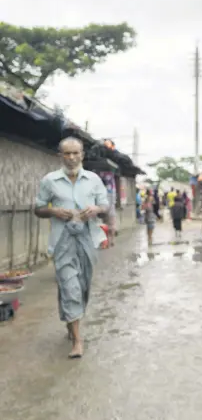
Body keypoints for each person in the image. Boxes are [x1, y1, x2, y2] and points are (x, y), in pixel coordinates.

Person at [35, 137, 109, 359]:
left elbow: (105, 206)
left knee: (83, 285)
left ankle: (71, 322)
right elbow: (38, 208)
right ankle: (78, 340)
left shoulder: (94, 179)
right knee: (70, 286)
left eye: (75, 153)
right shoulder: (50, 181)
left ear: (82, 155)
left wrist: (96, 209)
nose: (71, 157)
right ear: (60, 156)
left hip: (87, 238)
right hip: (62, 240)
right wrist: (54, 211)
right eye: (66, 153)